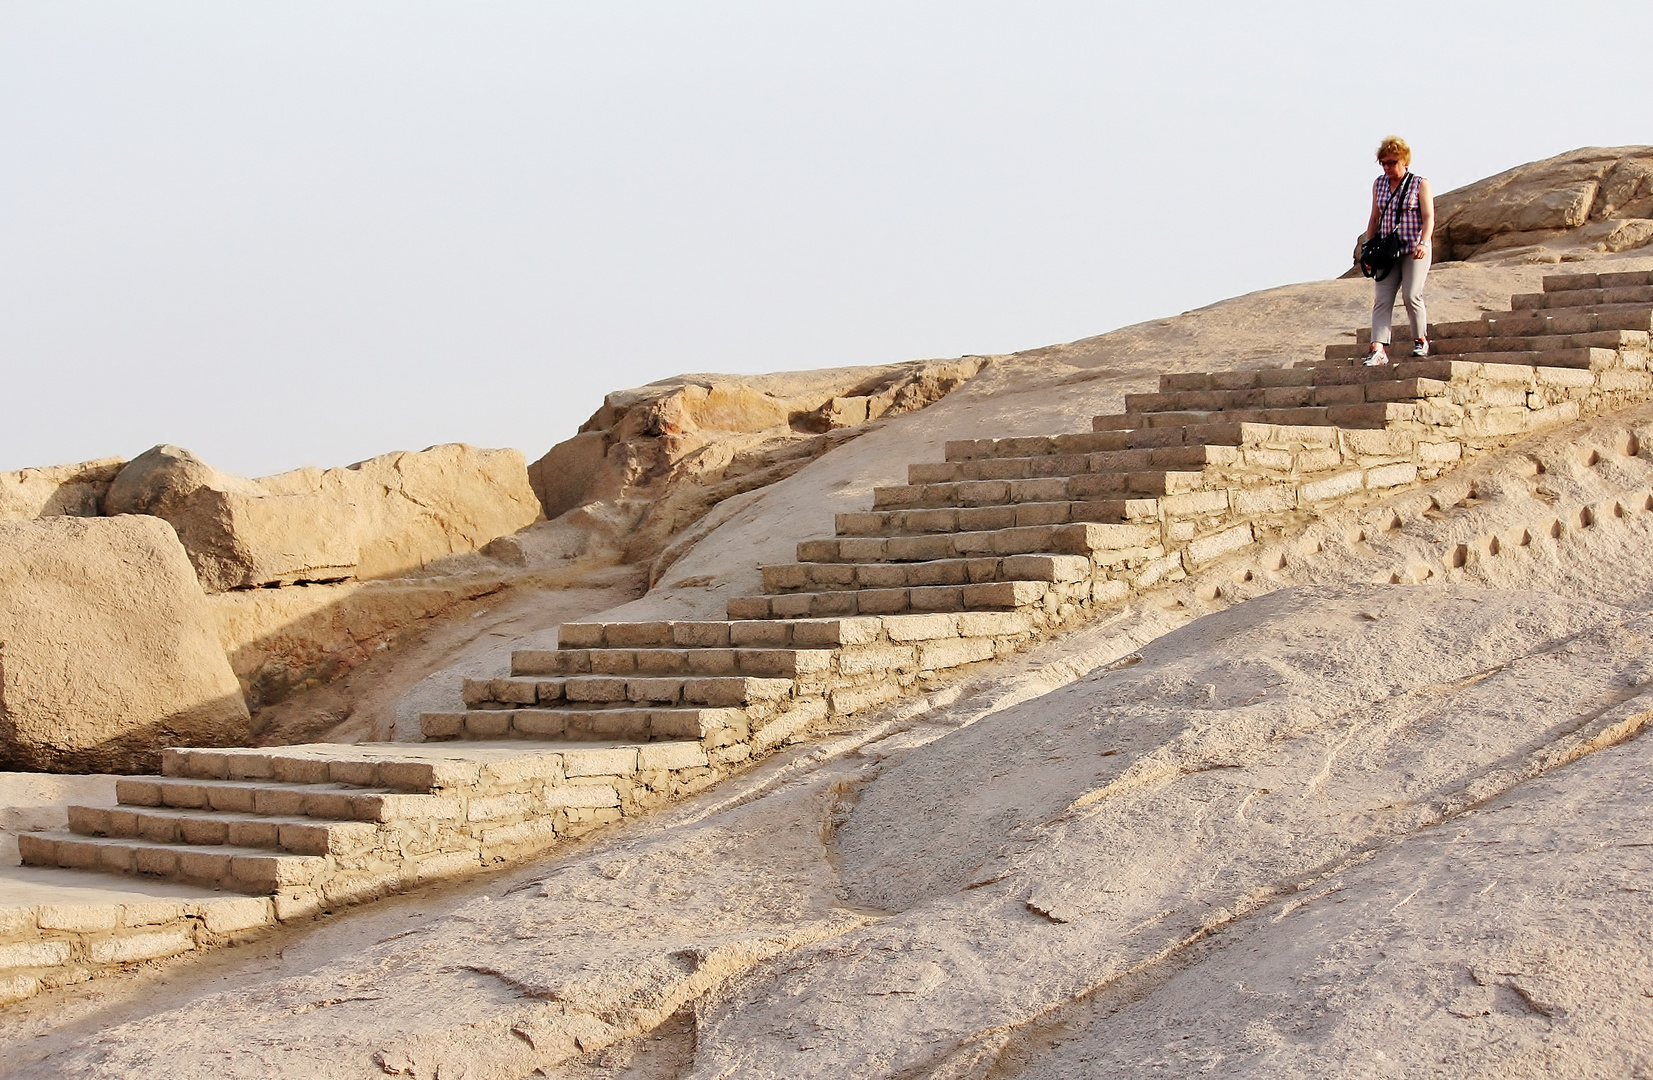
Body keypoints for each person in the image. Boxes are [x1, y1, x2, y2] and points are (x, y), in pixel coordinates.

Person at [1360, 136, 1434, 366]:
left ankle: (1420, 339)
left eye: (1392, 162)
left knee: (1411, 294)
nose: (1387, 167)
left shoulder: (1420, 183)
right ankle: (1378, 348)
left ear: (1404, 161)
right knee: (1382, 299)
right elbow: (1374, 217)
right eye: (1383, 163)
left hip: (1413, 249)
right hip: (1386, 251)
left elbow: (1428, 216)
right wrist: (1368, 249)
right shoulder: (1379, 184)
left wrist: (1424, 242)